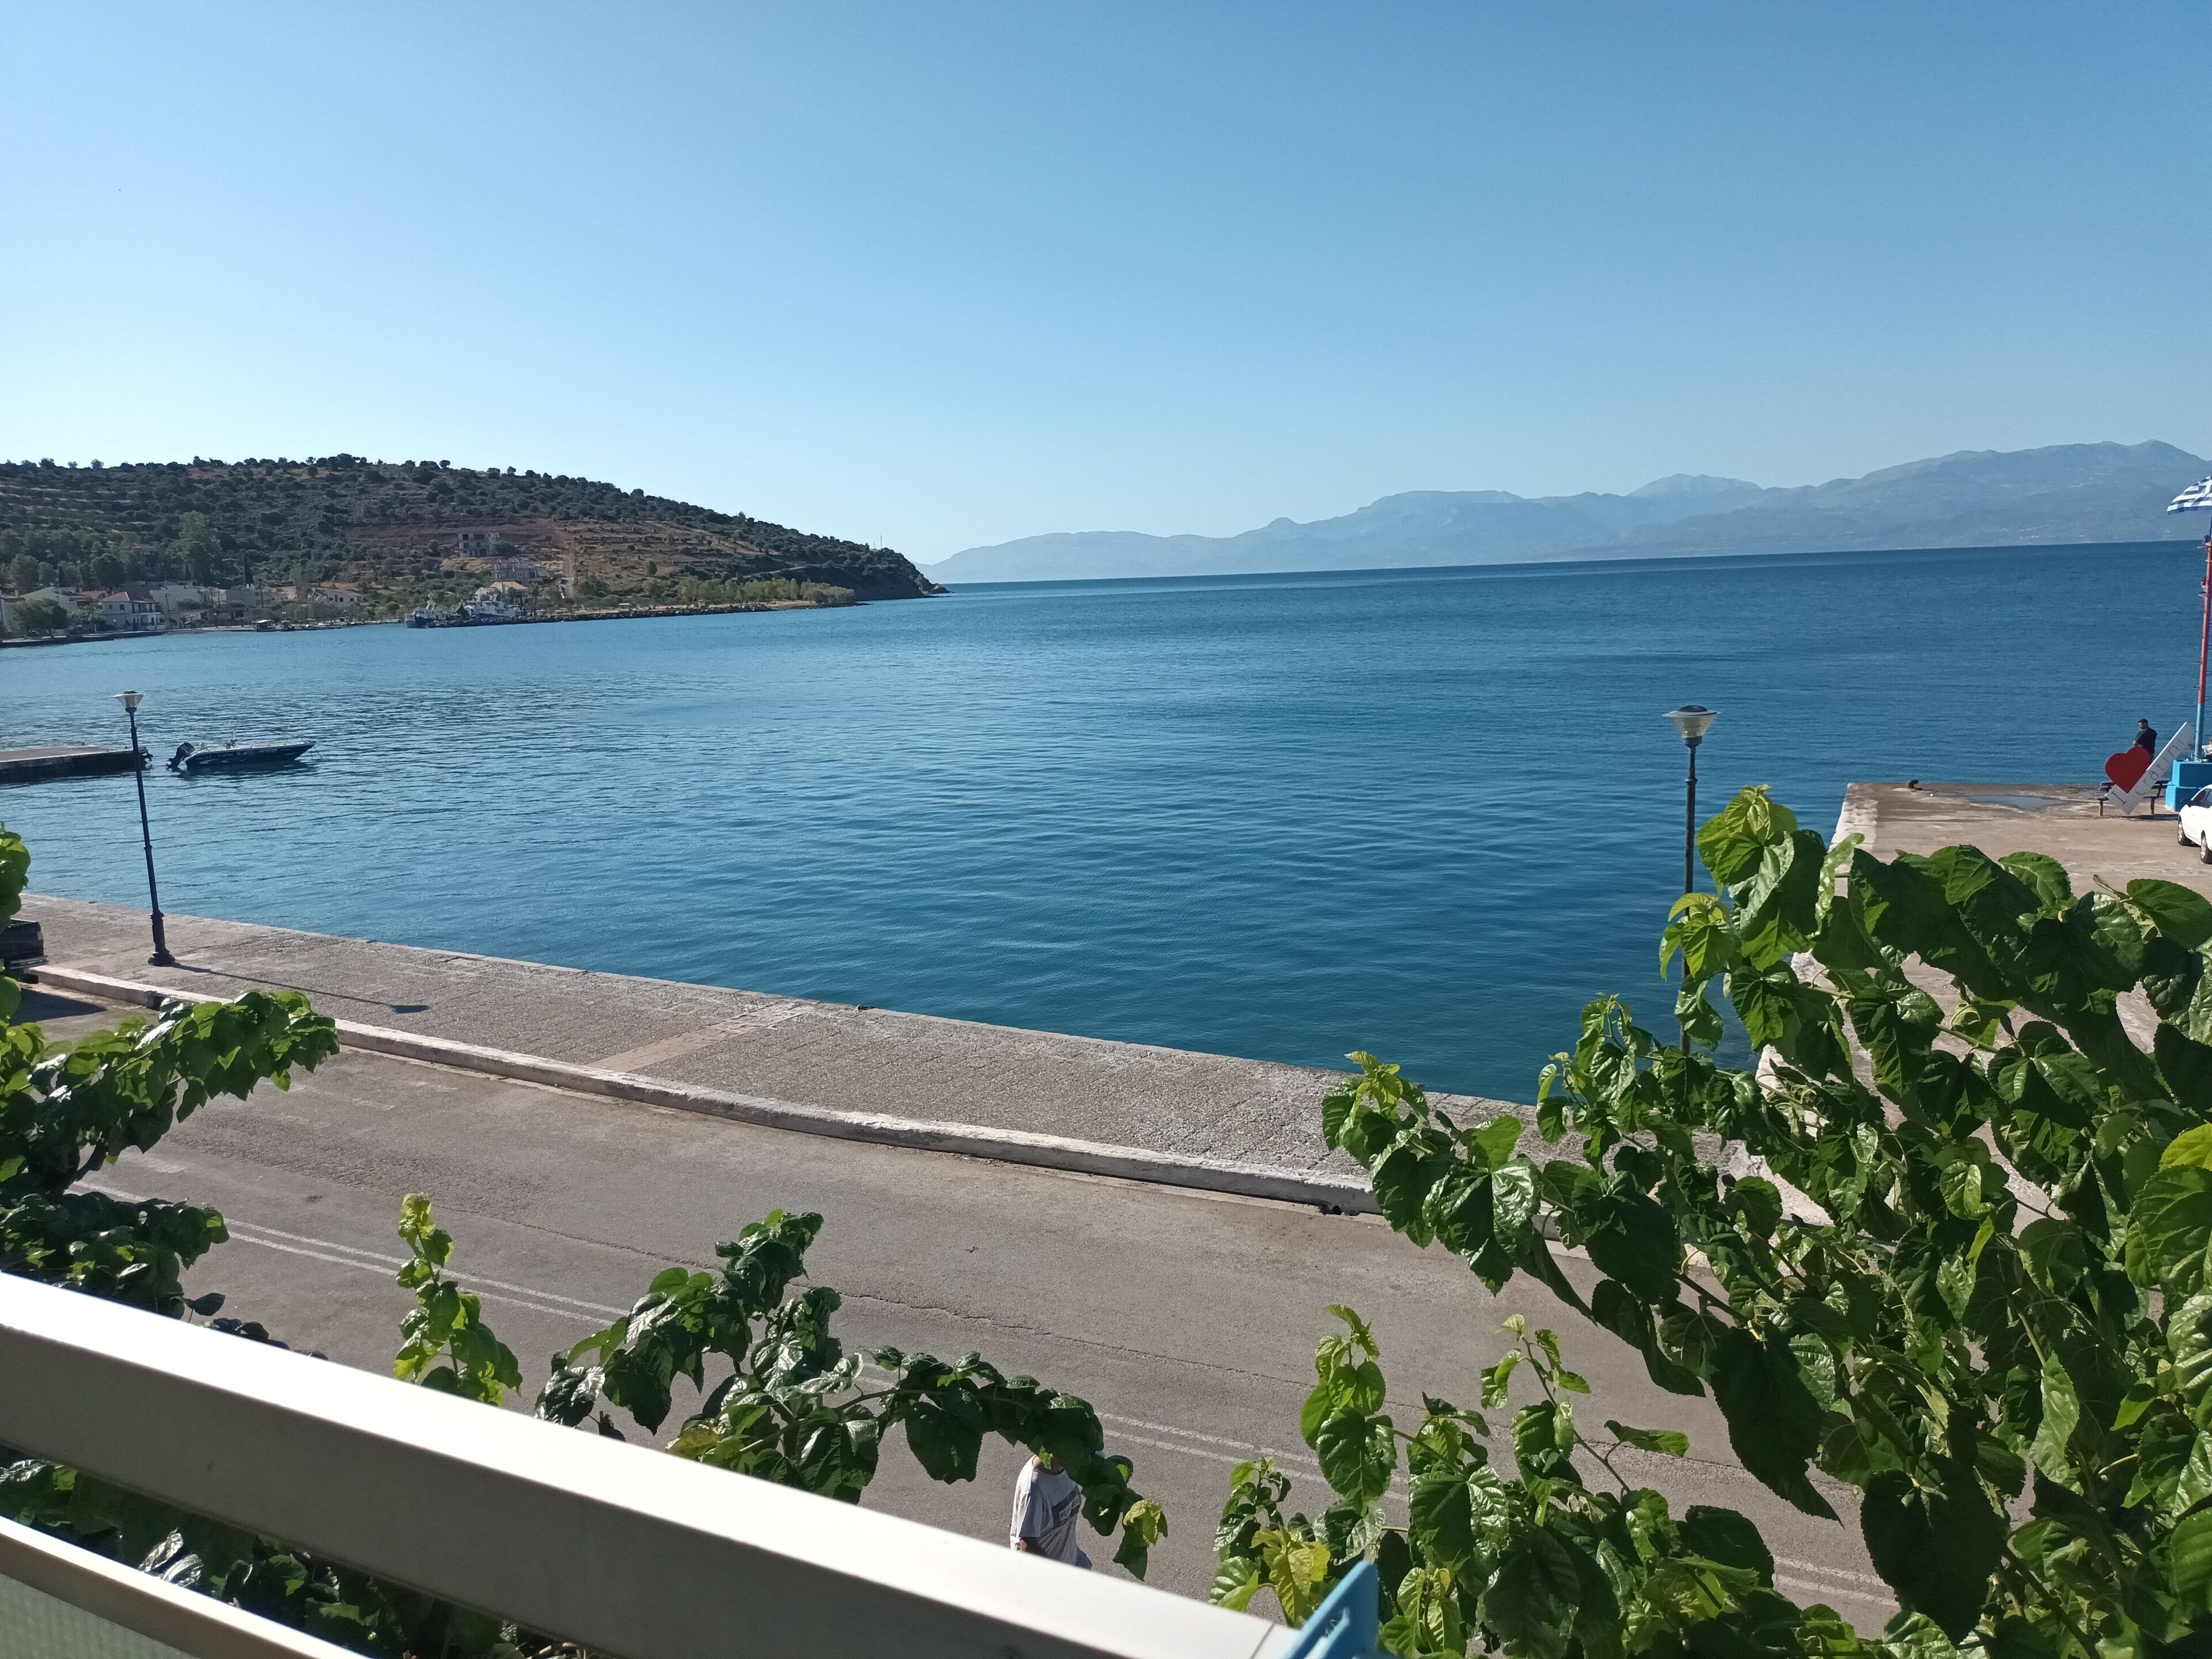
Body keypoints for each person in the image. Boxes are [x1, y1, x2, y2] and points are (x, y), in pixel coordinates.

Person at [1009, 1449, 1091, 1569]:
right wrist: (1055, 1575)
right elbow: (1026, 1547)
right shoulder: (1033, 1489)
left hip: (1073, 1559)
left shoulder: (1067, 1467)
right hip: (1048, 1572)